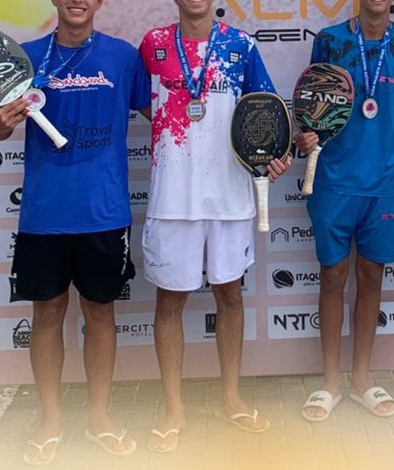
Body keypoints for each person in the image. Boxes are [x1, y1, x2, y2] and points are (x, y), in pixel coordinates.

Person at [0, 0, 151, 463]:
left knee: (100, 314)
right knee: (47, 314)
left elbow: (163, 116)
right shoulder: (26, 57)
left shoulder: (123, 56)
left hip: (104, 212)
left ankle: (99, 418)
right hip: (44, 214)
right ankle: (51, 419)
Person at [138, 0, 290, 452]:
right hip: (173, 196)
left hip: (229, 195)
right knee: (170, 302)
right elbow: (142, 104)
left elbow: (266, 111)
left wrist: (274, 155)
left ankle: (231, 399)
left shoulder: (241, 45)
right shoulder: (153, 44)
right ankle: (173, 409)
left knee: (230, 296)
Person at [294, 0, 394, 421]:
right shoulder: (330, 41)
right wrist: (304, 135)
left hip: (383, 185)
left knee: (371, 278)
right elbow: (310, 107)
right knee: (332, 277)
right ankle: (330, 381)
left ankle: (362, 379)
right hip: (333, 181)